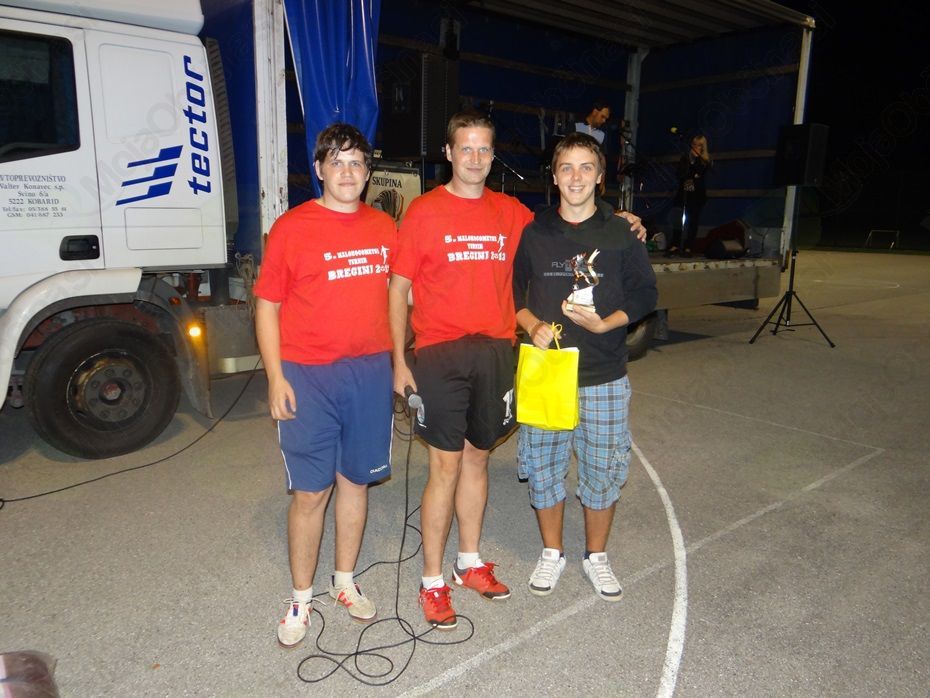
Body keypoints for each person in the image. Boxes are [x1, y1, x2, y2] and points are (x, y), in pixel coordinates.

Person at [390, 112, 646, 630]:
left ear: (493, 156)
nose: (475, 158)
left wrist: (625, 221)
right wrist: (398, 359)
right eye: (465, 148)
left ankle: (468, 562)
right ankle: (432, 580)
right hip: (440, 354)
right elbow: (398, 289)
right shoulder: (423, 211)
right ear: (449, 153)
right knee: (444, 469)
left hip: (495, 353)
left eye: (484, 149)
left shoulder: (511, 213)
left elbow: (571, 221)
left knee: (477, 461)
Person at [254, 123, 396, 648]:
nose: (347, 172)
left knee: (355, 482)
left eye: (357, 162)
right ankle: (300, 597)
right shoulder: (292, 228)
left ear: (368, 172)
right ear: (319, 169)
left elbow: (408, 290)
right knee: (311, 492)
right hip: (307, 376)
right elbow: (267, 306)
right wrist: (276, 377)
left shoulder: (385, 227)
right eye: (337, 161)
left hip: (369, 374)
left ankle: (344, 581)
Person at [512, 132, 657, 602]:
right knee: (544, 468)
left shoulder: (621, 233)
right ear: (554, 178)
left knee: (602, 470)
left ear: (599, 177)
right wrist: (532, 324)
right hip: (547, 374)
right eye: (566, 168)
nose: (576, 177)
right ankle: (552, 552)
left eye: (586, 167)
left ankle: (596, 556)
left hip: (604, 376)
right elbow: (513, 295)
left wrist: (606, 324)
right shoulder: (535, 233)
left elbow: (645, 294)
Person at [668, 134, 712, 257]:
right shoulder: (685, 158)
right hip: (683, 193)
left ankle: (688, 247)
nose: (696, 147)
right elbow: (680, 174)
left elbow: (699, 174)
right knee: (678, 218)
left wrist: (696, 161)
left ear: (703, 147)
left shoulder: (704, 160)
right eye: (694, 144)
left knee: (693, 220)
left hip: (697, 194)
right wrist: (692, 172)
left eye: (699, 145)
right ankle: (675, 244)